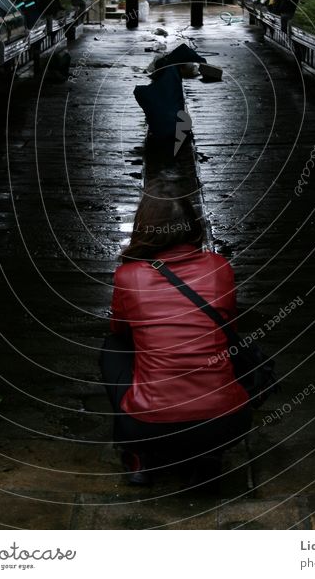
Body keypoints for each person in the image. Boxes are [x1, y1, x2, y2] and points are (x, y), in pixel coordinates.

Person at [100, 185, 251, 487]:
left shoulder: (130, 277)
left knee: (114, 347)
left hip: (148, 424)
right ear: (194, 226)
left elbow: (120, 329)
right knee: (232, 344)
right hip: (226, 422)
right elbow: (230, 328)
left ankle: (138, 453)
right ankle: (207, 455)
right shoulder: (220, 269)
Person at [133, 43, 207, 167]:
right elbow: (184, 49)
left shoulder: (148, 91)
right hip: (177, 130)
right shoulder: (172, 70)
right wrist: (202, 61)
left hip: (160, 133)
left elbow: (141, 94)